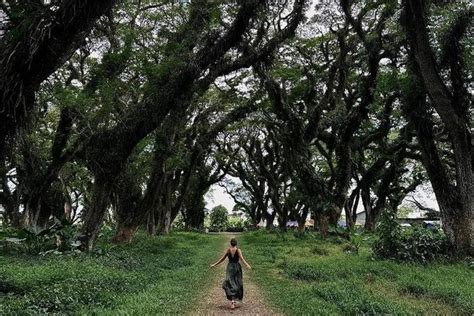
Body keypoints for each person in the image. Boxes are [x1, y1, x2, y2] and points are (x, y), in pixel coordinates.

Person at [210, 238, 252, 310]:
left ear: (230, 243)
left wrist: (214, 264)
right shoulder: (238, 250)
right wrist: (247, 265)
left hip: (230, 267)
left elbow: (222, 259)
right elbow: (242, 259)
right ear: (236, 243)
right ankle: (233, 301)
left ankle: (233, 301)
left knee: (230, 282)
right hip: (236, 267)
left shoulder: (228, 250)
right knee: (237, 283)